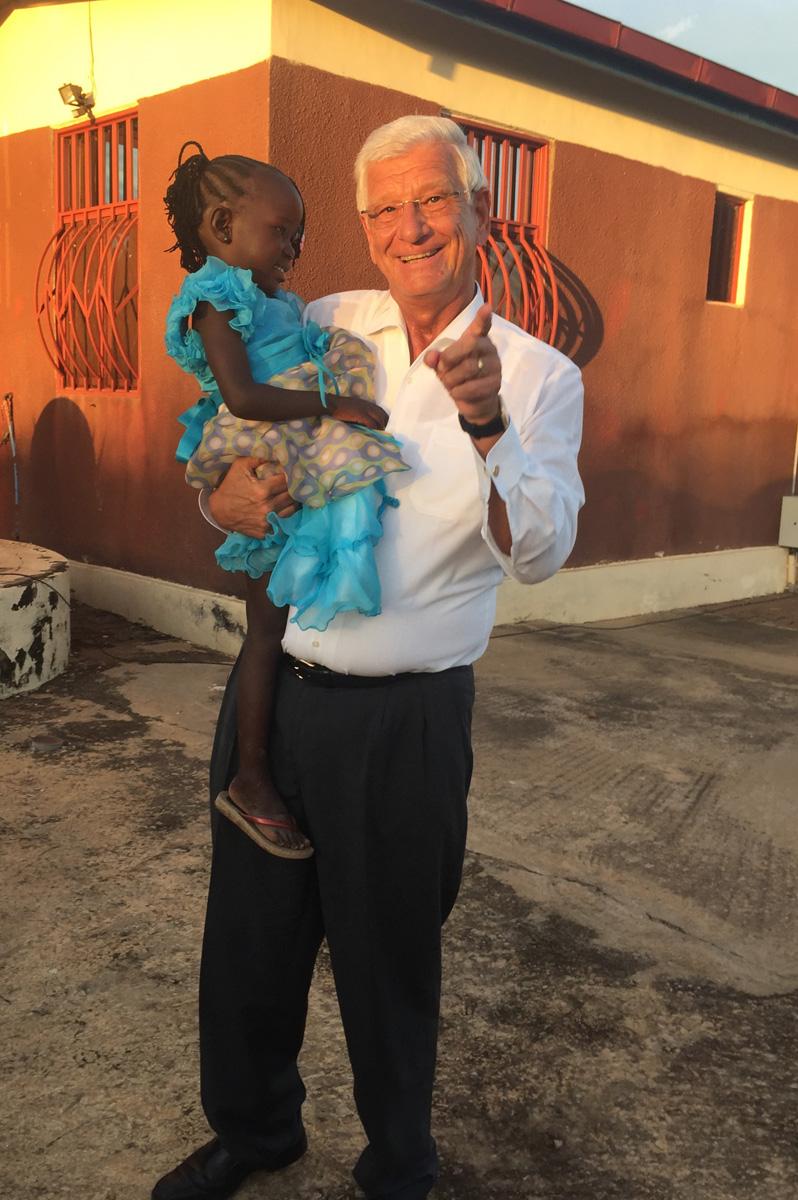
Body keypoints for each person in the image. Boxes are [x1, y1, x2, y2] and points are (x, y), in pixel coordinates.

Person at [152, 115, 584, 1200]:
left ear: (479, 208)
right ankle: (255, 1133)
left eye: (432, 199)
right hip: (275, 695)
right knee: (248, 945)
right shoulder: (326, 321)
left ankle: (399, 1163)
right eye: (385, 208)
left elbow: (541, 552)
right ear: (363, 224)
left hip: (404, 723)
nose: (410, 227)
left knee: (390, 964)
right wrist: (217, 494)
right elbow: (231, 431)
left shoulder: (539, 378)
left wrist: (487, 423)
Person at [163, 142, 407, 859]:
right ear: (222, 226)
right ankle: (250, 778)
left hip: (288, 437)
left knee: (277, 622)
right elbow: (241, 396)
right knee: (264, 632)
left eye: (300, 235)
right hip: (259, 440)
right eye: (282, 231)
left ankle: (266, 768)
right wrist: (333, 402)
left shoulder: (277, 302)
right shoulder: (215, 297)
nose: (295, 248)